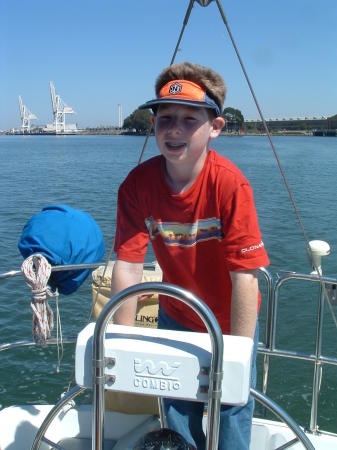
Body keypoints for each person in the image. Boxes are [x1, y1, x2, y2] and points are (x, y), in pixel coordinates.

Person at [111, 62, 269, 450]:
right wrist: (123, 341)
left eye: (188, 119)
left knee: (231, 405)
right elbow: (129, 267)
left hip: (231, 320)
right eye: (165, 119)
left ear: (215, 127)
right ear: (153, 125)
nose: (174, 129)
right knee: (179, 408)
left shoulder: (231, 185)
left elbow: (246, 276)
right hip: (177, 315)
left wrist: (237, 350)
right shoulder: (137, 185)